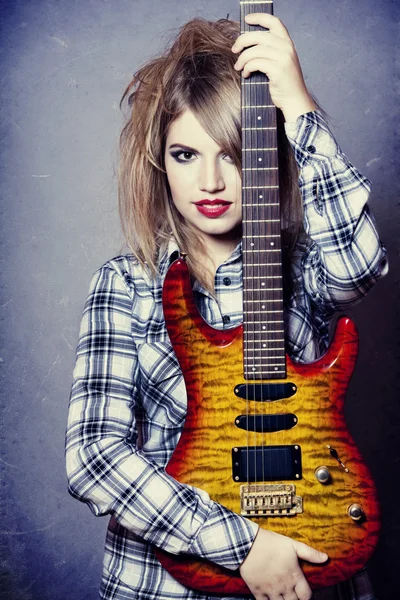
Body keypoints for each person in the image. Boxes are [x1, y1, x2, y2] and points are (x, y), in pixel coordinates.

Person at [65, 12, 387, 600]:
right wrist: (243, 544)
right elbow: (94, 454)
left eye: (233, 153)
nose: (210, 180)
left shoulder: (303, 268)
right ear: (159, 161)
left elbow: (359, 264)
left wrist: (299, 108)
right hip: (169, 583)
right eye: (187, 154)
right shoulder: (126, 286)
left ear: (263, 159)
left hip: (316, 553)